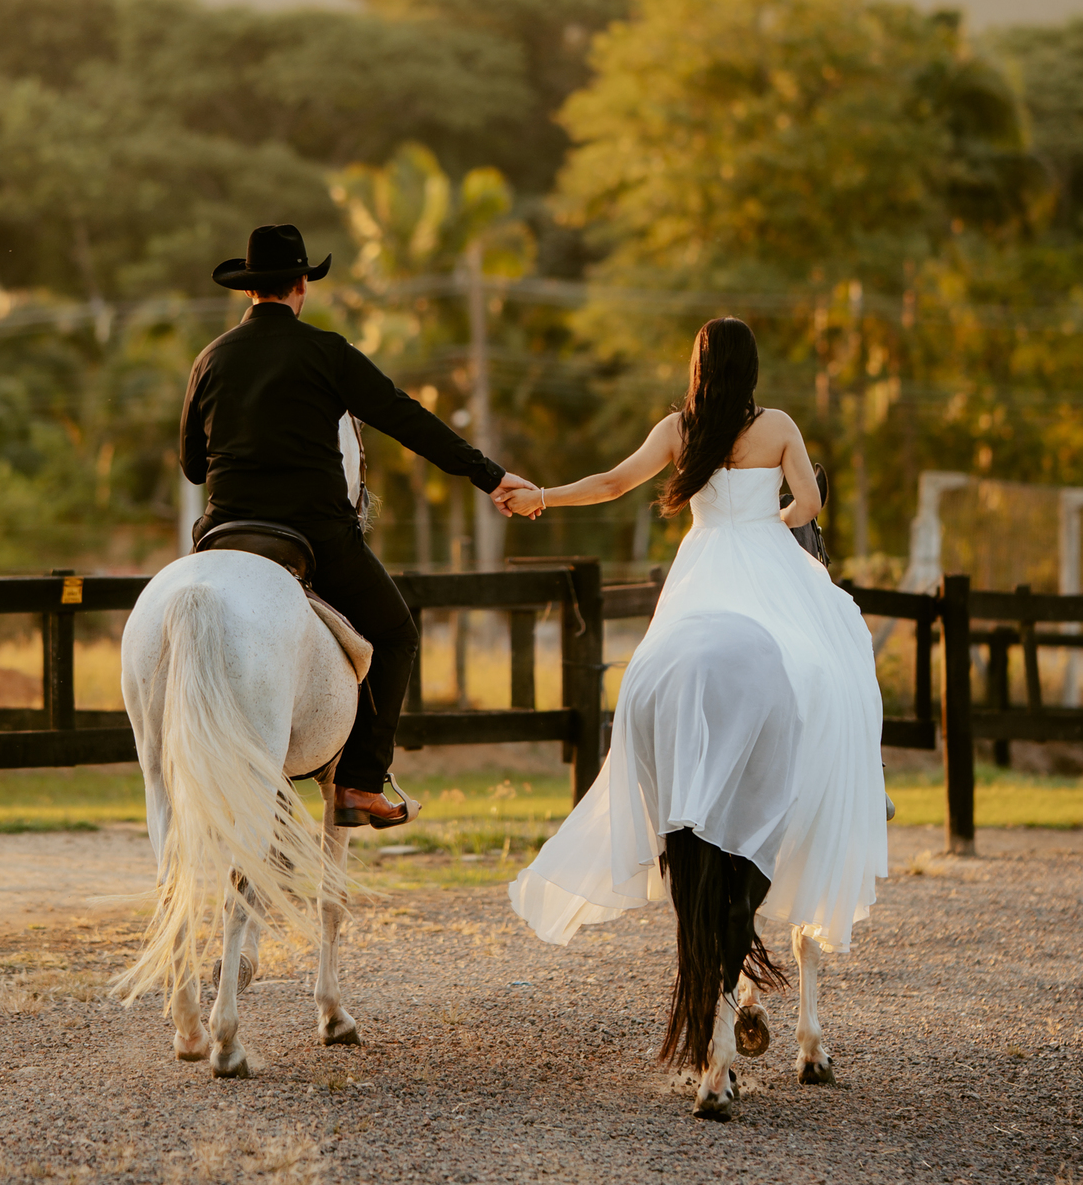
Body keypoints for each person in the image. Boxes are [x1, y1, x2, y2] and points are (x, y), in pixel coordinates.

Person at [505, 316, 888, 959]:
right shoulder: (779, 427)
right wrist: (774, 524)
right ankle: (869, 785)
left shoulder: (678, 431)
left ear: (699, 367)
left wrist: (541, 496)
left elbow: (610, 484)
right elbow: (811, 504)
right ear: (751, 369)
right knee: (841, 646)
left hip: (704, 565)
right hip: (770, 557)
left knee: (652, 668)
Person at [180, 223, 536, 828]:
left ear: (248, 292)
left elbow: (193, 467)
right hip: (313, 532)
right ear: (301, 286)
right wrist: (490, 476)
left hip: (222, 533)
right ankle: (358, 785)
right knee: (397, 635)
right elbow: (406, 419)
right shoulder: (327, 352)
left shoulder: (210, 357)